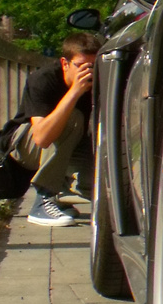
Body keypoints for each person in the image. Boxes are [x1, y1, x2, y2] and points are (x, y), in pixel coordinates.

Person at [11, 32, 98, 227]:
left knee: (98, 186)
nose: (88, 72)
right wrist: (75, 92)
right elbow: (41, 137)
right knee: (72, 116)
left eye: (94, 66)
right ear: (65, 63)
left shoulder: (100, 82)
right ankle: (43, 200)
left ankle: (62, 194)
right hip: (26, 148)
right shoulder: (43, 79)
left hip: (70, 146)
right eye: (81, 66)